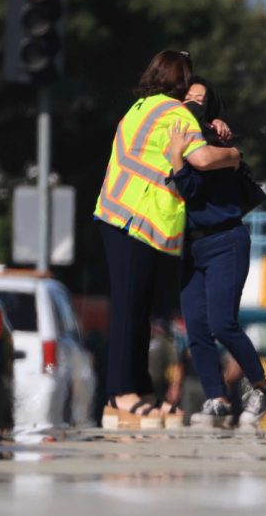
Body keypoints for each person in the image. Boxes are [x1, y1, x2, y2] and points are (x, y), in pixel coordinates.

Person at [94, 50, 242, 429]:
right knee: (130, 309)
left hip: (120, 215)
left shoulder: (141, 107)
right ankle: (120, 395)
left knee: (138, 311)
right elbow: (204, 159)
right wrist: (234, 155)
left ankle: (138, 391)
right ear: (180, 80)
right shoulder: (174, 114)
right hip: (135, 219)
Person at [164, 78, 266, 428]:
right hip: (191, 246)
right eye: (186, 97)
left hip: (226, 240)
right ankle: (217, 399)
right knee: (195, 326)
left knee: (222, 323)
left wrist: (179, 160)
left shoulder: (215, 146)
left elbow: (194, 188)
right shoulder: (173, 138)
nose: (191, 104)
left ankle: (259, 385)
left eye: (200, 99)